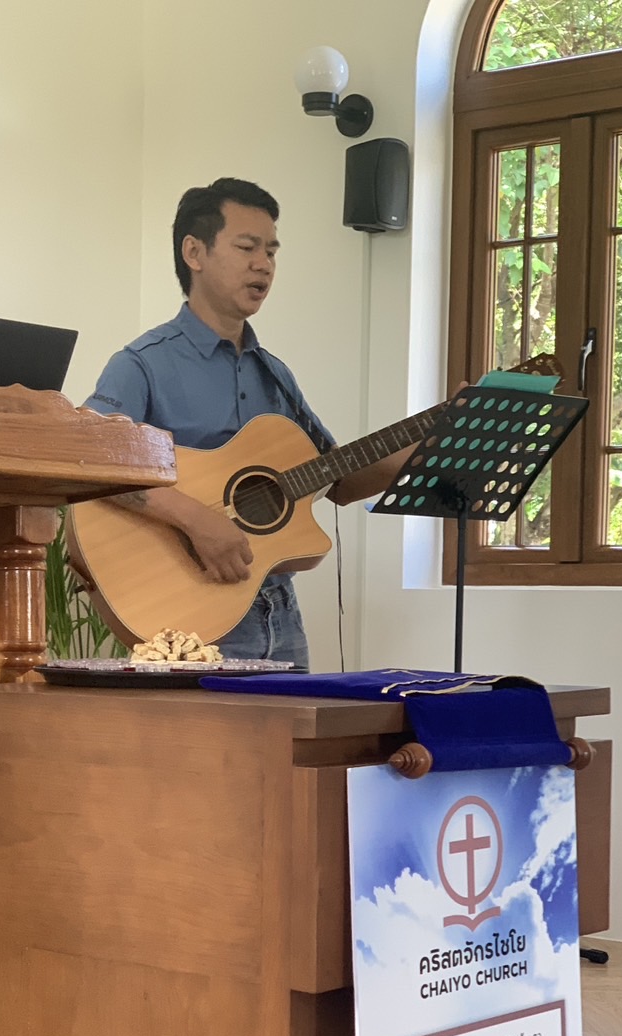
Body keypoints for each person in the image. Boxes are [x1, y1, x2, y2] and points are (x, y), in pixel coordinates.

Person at [83, 177, 407, 668]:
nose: (264, 264)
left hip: (280, 615)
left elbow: (337, 479)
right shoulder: (142, 364)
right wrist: (196, 519)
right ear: (195, 252)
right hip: (188, 617)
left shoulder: (274, 375)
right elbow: (89, 461)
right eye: (247, 247)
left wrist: (426, 439)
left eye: (272, 252)